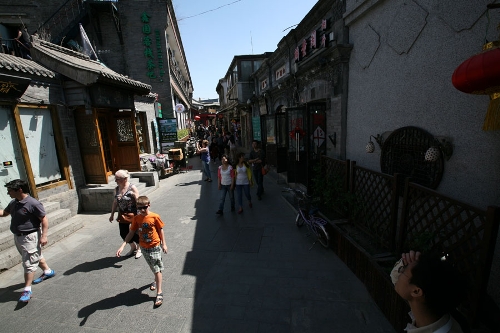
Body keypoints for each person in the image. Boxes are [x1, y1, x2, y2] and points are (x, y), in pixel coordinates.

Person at [0, 179, 55, 302]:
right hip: (18, 237)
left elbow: (44, 220)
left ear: (19, 190)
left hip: (30, 236)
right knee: (34, 256)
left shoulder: (33, 203)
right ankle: (48, 271)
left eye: (10, 190)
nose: (8, 193)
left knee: (28, 264)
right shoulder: (14, 202)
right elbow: (5, 213)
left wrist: (44, 236)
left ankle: (27, 289)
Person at [391, 250, 466, 332]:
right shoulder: (443, 315)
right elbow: (397, 280)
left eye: (403, 271)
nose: (400, 272)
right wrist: (406, 262)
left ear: (416, 292)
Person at [116, 196, 168, 307]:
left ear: (149, 205)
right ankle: (155, 280)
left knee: (156, 268)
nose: (142, 210)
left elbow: (160, 230)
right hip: (144, 247)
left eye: (144, 207)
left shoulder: (154, 217)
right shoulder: (136, 218)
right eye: (139, 208)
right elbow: (131, 232)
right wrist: (123, 245)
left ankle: (159, 292)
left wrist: (164, 244)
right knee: (152, 266)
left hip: (154, 246)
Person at [109, 170, 142, 259]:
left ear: (125, 179)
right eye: (115, 179)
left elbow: (138, 202)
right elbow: (115, 202)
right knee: (123, 233)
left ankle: (139, 248)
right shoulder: (116, 189)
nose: (116, 181)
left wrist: (140, 215)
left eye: (118, 179)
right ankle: (133, 247)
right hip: (122, 214)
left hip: (134, 214)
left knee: (136, 232)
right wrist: (112, 214)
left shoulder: (132, 188)